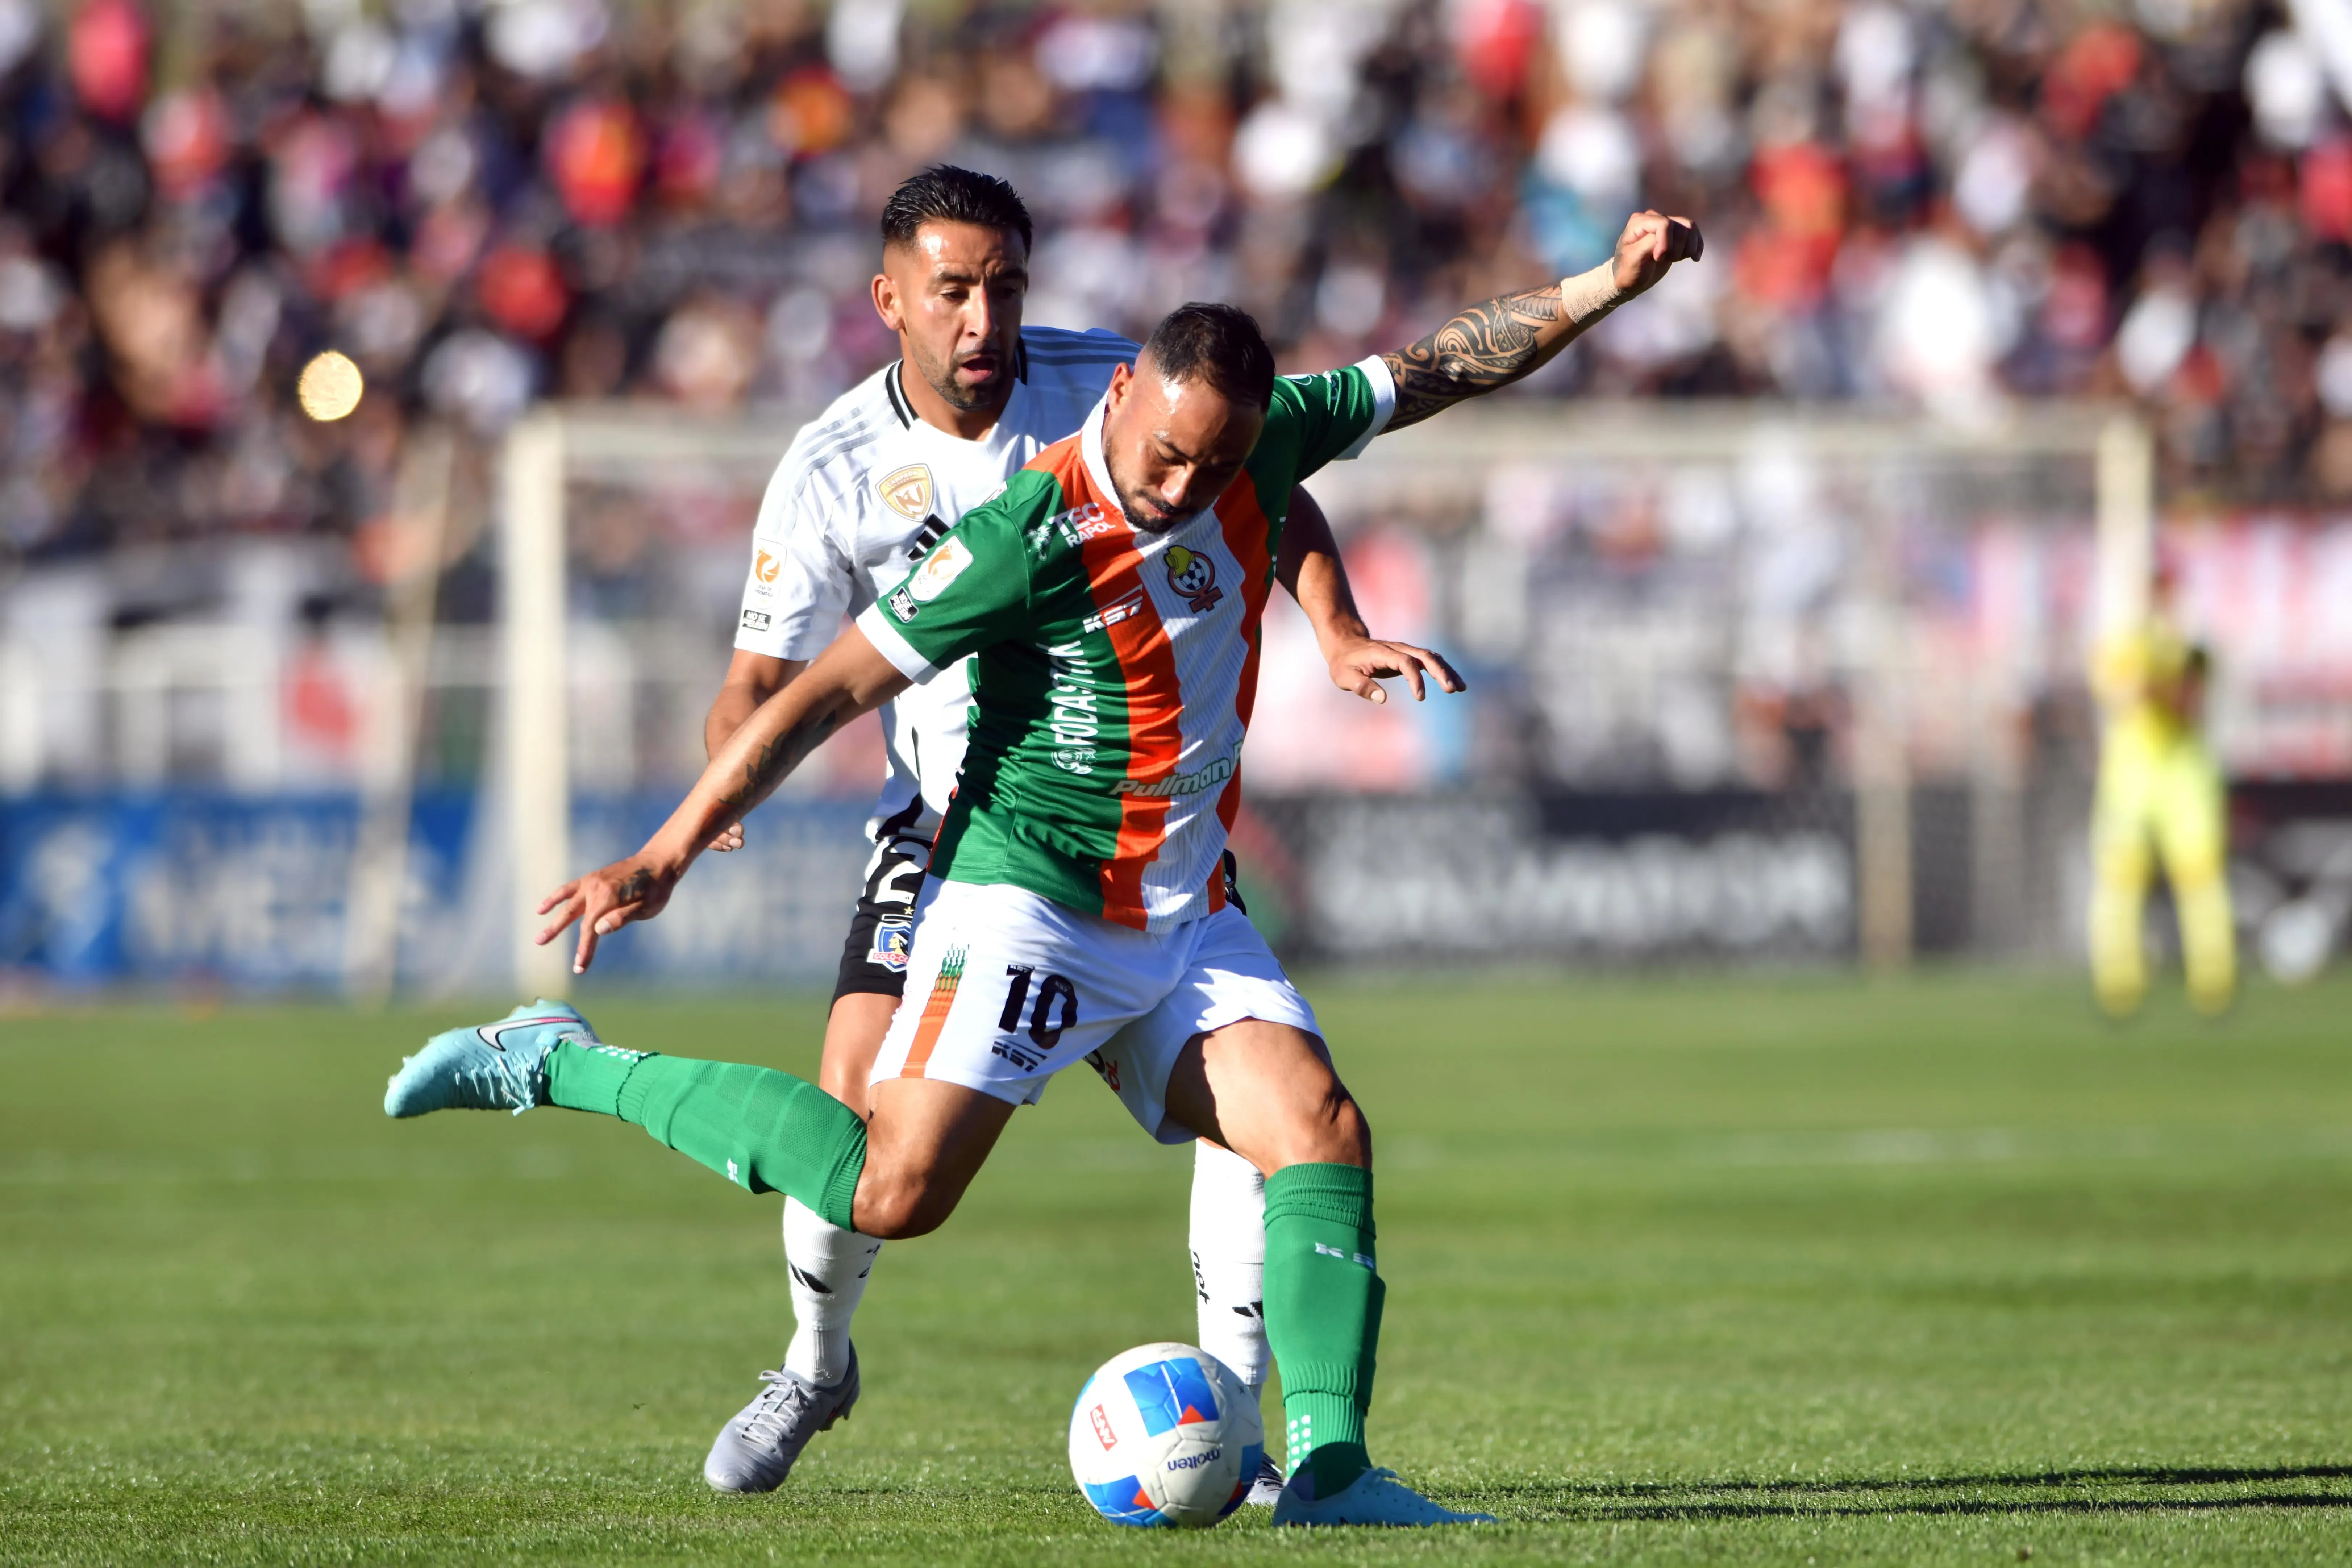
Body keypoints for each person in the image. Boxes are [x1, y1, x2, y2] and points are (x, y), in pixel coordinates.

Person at [387, 208, 1703, 1526]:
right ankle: (559, 1060)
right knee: (890, 1188)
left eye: (1217, 464)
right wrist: (666, 849)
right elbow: (829, 688)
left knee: (1319, 1128)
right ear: (1120, 394)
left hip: (1184, 903)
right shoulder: (1024, 534)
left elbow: (1439, 366)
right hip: (1029, 901)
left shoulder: (1252, 445)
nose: (1184, 488)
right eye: (1167, 455)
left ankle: (1328, 1472)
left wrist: (1605, 285)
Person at [692, 166, 1451, 1498]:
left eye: (1005, 287)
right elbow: (763, 673)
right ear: (891, 300)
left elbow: (1263, 476)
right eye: (955, 291)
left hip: (1126, 828)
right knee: (860, 1123)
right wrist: (726, 782)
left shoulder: (1113, 383)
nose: (985, 318)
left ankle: (1240, 1431)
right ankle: (814, 1364)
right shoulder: (833, 463)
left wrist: (1332, 626)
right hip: (945, 824)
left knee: (1262, 1110)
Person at [2088, 561, 2234, 1016]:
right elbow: (2124, 695)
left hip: (2183, 772)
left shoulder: (2191, 647)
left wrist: (2167, 678)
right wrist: (2153, 678)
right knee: (2120, 877)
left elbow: (2188, 700)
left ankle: (2212, 981)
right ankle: (2119, 981)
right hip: (2131, 773)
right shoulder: (2123, 644)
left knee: (2199, 874)